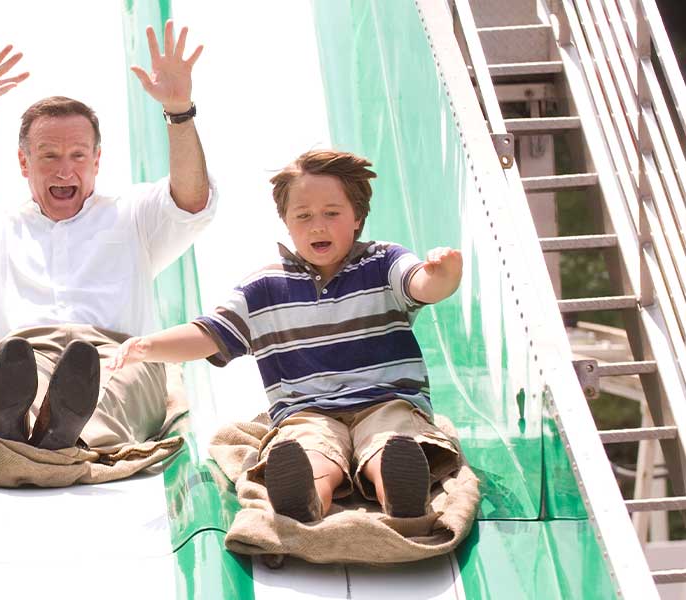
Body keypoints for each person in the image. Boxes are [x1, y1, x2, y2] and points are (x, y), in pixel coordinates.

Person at [0, 21, 213, 451]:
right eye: (49, 156)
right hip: (21, 354)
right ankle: (22, 423)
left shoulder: (132, 214)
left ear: (96, 160)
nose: (64, 170)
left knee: (108, 389)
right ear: (24, 162)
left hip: (118, 355)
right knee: (11, 373)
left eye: (77, 156)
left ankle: (54, 433)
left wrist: (179, 111)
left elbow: (193, 199)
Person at [111, 149, 464, 521]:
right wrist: (148, 345)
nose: (317, 226)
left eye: (332, 213)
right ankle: (308, 495)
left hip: (386, 400)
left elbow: (423, 285)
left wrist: (444, 273)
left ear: (357, 217)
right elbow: (210, 333)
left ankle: (396, 486)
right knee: (311, 449)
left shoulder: (383, 262)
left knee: (388, 439)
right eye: (304, 216)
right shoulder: (266, 287)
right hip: (307, 410)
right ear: (286, 221)